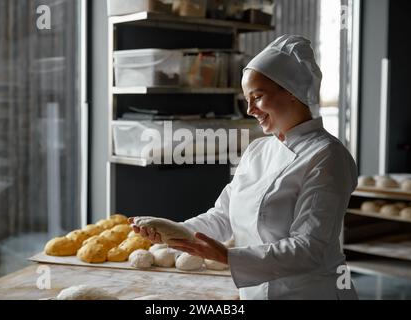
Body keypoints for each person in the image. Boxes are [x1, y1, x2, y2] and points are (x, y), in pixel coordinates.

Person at [130, 35, 358, 300]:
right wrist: (172, 232)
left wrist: (227, 256)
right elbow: (223, 216)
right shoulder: (257, 150)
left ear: (292, 92)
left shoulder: (327, 156)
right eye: (246, 99)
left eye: (257, 97)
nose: (249, 109)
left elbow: (310, 248)